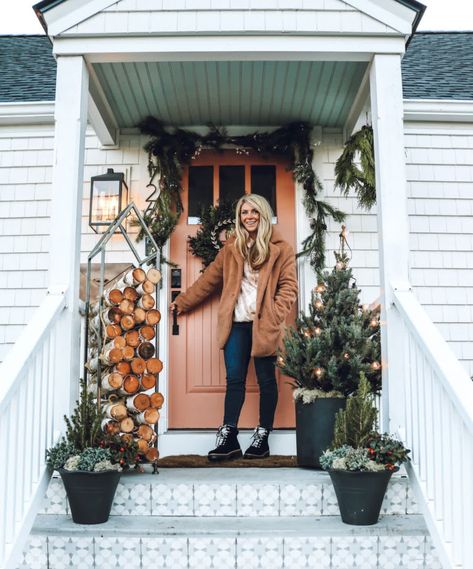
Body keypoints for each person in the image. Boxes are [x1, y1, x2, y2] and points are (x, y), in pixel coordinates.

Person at [170, 194, 298, 461]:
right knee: (235, 380)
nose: (248, 216)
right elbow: (208, 282)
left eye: (253, 211)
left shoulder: (281, 249)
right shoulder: (231, 249)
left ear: (263, 214)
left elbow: (288, 288)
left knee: (266, 380)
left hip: (264, 324)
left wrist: (274, 314)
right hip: (236, 324)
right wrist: (181, 302)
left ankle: (262, 436)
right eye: (243, 212)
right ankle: (229, 438)